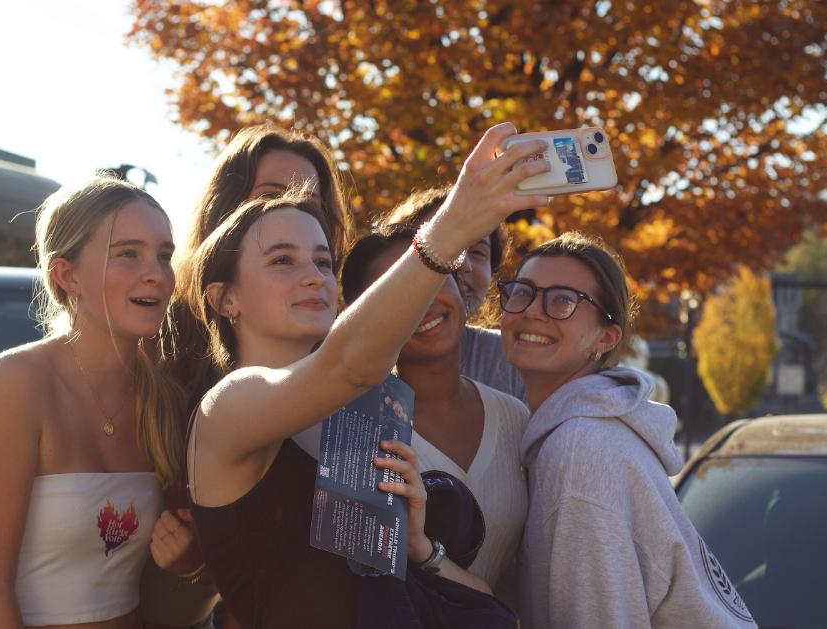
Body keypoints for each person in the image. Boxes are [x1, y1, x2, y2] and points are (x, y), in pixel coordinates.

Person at [180, 122, 550, 628]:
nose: (313, 275)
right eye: (282, 260)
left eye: (322, 260)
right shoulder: (227, 406)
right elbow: (349, 365)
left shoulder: (359, 411)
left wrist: (419, 547)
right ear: (225, 299)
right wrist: (455, 224)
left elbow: (483, 604)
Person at [0, 176, 198, 627]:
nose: (157, 273)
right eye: (128, 253)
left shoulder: (163, 396)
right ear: (66, 275)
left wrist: (187, 558)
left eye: (164, 256)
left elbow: (185, 561)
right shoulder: (18, 381)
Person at [498, 232, 757, 628]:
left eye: (563, 301)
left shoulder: (581, 449)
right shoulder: (574, 433)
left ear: (606, 338)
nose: (534, 311)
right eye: (523, 292)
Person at [338, 225, 529, 603]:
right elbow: (367, 593)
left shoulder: (515, 417)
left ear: (459, 285)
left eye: (432, 277)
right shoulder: (357, 430)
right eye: (397, 291)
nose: (422, 300)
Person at [166, 123, 353, 411]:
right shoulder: (164, 341)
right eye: (271, 196)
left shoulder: (338, 334)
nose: (292, 209)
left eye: (310, 202)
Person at [376, 186, 526, 401]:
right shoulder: (359, 358)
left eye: (477, 252)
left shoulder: (514, 357)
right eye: (445, 245)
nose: (463, 264)